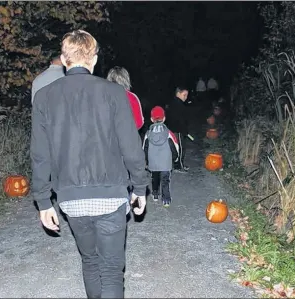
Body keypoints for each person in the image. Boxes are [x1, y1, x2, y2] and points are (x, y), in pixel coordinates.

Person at [31, 29, 149, 299]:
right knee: (110, 269)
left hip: (71, 200)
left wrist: (43, 201)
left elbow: (40, 153)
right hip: (110, 196)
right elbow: (131, 146)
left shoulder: (44, 98)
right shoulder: (114, 93)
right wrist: (140, 187)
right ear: (94, 59)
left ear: (63, 58)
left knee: (90, 261)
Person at [143, 106, 179, 207]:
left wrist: (145, 160)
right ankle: (166, 199)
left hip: (153, 162)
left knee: (155, 178)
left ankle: (155, 194)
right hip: (166, 162)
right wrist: (175, 158)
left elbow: (144, 148)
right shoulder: (169, 133)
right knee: (165, 180)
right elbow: (174, 146)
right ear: (164, 118)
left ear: (151, 119)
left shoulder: (148, 134)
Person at [165, 86, 193, 173]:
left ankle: (177, 164)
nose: (186, 97)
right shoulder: (178, 104)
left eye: (187, 95)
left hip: (174, 129)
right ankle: (178, 166)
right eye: (184, 95)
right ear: (178, 93)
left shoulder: (174, 103)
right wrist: (184, 130)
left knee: (175, 147)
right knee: (181, 148)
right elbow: (180, 119)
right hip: (178, 130)